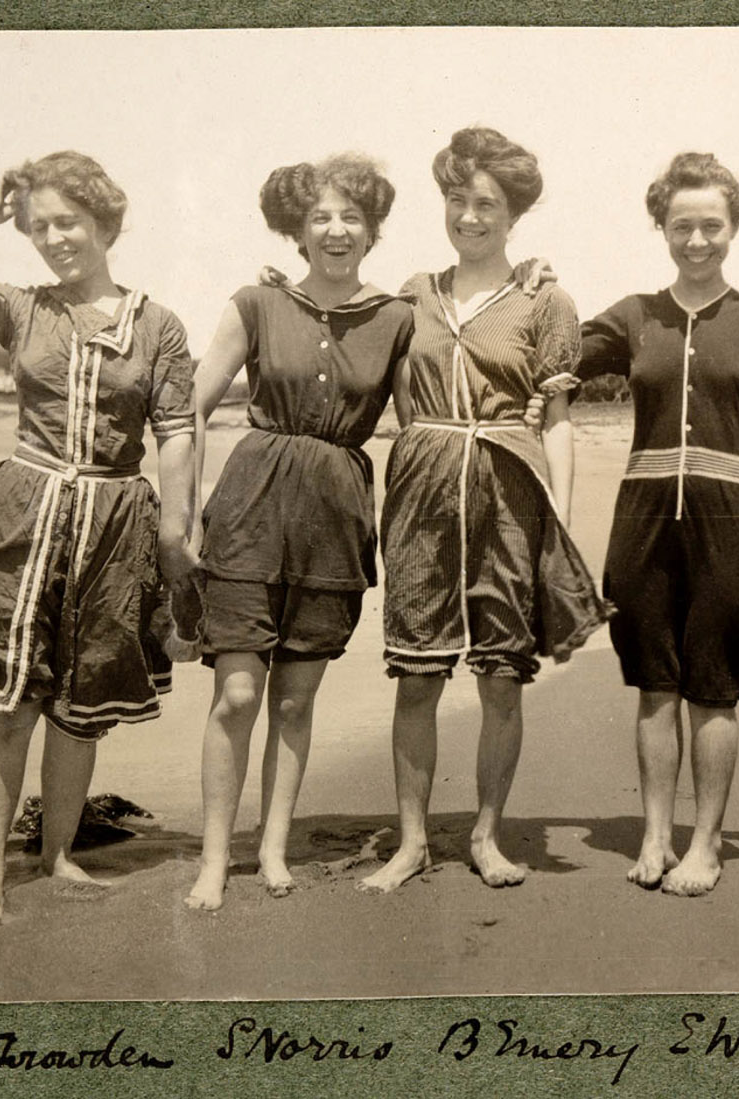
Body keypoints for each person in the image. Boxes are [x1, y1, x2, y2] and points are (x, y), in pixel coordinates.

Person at [0, 151, 197, 922]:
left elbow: (179, 435)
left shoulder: (157, 325)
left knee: (81, 701)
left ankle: (56, 853)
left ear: (104, 220)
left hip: (115, 519)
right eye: (39, 227)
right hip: (25, 516)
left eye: (69, 221)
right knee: (9, 694)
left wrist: (177, 534)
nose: (55, 238)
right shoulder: (21, 308)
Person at [359, 126, 605, 894]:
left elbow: (558, 419)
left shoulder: (547, 298)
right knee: (418, 673)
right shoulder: (409, 295)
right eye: (458, 201)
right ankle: (410, 842)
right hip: (423, 482)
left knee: (501, 675)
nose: (470, 216)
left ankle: (488, 835)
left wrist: (555, 522)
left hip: (509, 486)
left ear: (514, 212)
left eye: (487, 203)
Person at [575, 152, 739, 896]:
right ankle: (655, 835)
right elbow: (550, 355)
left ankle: (706, 844)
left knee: (713, 688)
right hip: (644, 518)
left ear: (734, 227)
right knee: (655, 685)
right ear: (661, 226)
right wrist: (534, 287)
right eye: (681, 225)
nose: (696, 240)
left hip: (735, 519)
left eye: (711, 225)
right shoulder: (633, 315)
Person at [183, 155, 415, 911]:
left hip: (336, 521)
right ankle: (216, 858)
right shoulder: (253, 301)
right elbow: (189, 406)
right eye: (320, 216)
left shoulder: (397, 317)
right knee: (239, 693)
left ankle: (275, 848)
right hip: (249, 507)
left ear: (373, 230)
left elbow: (421, 426)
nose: (336, 230)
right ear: (297, 227)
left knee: (294, 701)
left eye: (351, 217)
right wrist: (179, 511)